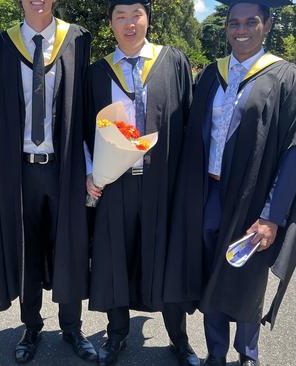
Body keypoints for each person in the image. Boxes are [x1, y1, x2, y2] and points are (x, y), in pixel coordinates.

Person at [165, 1, 296, 365]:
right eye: (234, 23)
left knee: (248, 275)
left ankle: (247, 352)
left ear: (267, 24)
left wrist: (272, 216)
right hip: (208, 192)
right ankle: (216, 353)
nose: (241, 30)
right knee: (212, 272)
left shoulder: (290, 78)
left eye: (251, 22)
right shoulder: (210, 75)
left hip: (256, 197)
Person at [83, 1, 197, 366]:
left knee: (167, 258)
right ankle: (116, 335)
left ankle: (179, 338)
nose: (129, 23)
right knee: (115, 257)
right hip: (116, 184)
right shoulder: (98, 73)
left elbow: (189, 125)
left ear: (148, 18)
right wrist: (90, 172)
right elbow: (85, 131)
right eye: (120, 16)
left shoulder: (173, 61)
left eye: (136, 15)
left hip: (162, 183)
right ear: (111, 23)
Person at [0, 0, 96, 363]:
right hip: (20, 170)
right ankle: (30, 326)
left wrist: (92, 166)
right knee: (27, 249)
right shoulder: (3, 46)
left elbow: (84, 107)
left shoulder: (78, 40)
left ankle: (71, 326)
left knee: (68, 246)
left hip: (63, 167)